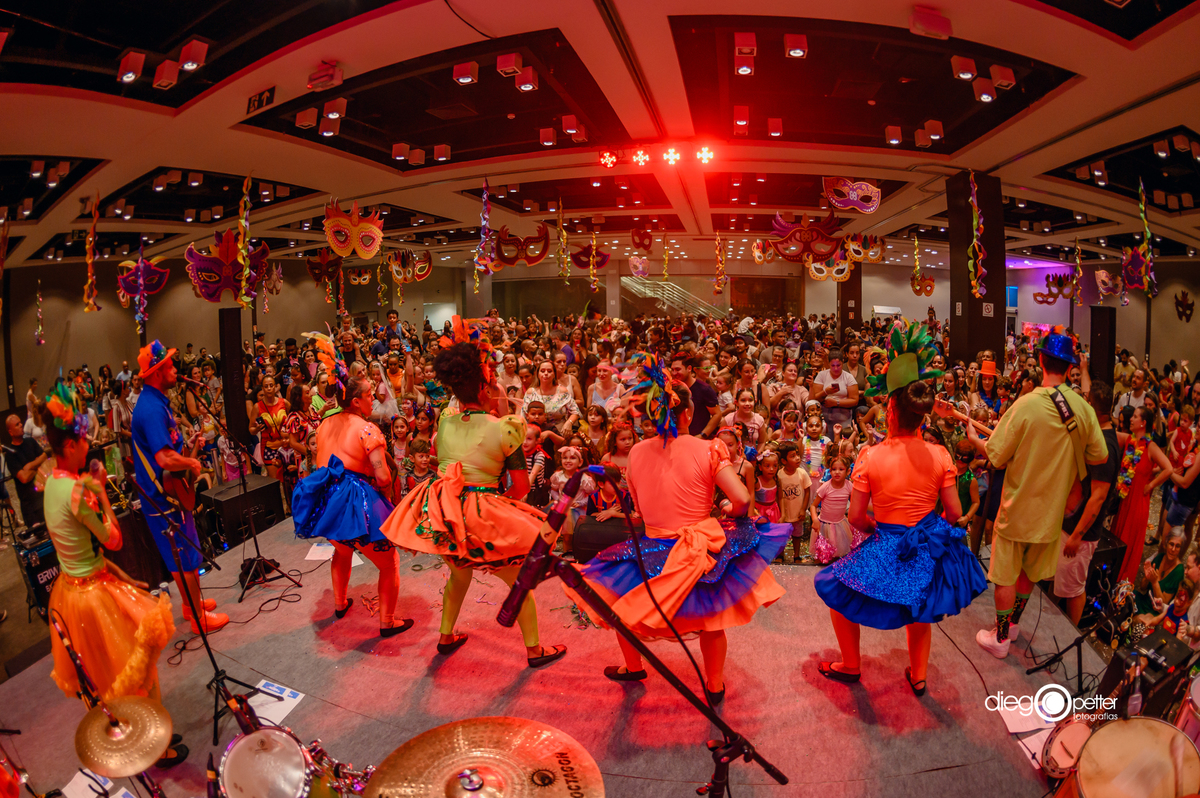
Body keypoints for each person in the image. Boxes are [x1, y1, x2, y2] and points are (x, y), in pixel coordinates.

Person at [566, 357, 788, 705]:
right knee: (712, 620)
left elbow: (638, 511)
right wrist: (728, 510)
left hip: (652, 545)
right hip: (699, 550)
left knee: (624, 606)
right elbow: (743, 498)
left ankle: (633, 667)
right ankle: (714, 685)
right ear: (687, 414)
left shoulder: (636, 453)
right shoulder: (708, 447)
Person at [815, 324, 987, 694]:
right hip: (927, 539)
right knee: (919, 604)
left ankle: (851, 665)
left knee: (836, 591)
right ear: (922, 416)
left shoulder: (870, 455)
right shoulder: (940, 454)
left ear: (890, 409)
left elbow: (858, 517)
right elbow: (955, 514)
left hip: (888, 537)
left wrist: (882, 530)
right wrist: (928, 530)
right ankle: (919, 674)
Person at [383, 328, 568, 668]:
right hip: (484, 516)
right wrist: (502, 509)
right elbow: (521, 487)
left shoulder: (445, 420)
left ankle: (446, 635)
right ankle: (534, 651)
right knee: (517, 582)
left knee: (458, 574)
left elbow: (446, 461)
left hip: (446, 514)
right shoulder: (505, 427)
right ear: (484, 387)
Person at [40, 384, 186, 768]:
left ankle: (133, 733)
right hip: (95, 594)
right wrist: (102, 492)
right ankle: (155, 743)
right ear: (70, 446)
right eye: (84, 440)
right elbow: (115, 538)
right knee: (139, 664)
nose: (89, 445)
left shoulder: (51, 483)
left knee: (107, 672)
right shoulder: (78, 491)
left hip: (70, 593)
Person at [965, 332, 1107, 658]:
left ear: (1041, 361)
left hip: (1017, 508)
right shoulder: (1083, 410)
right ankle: (1012, 626)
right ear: (1071, 368)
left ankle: (1000, 638)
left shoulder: (1025, 404)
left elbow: (996, 455)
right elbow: (1099, 457)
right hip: (1052, 513)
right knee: (1029, 573)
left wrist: (975, 439)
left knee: (1004, 575)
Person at [291, 334, 412, 638]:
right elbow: (383, 478)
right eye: (370, 393)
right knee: (388, 562)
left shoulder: (324, 424)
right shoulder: (368, 429)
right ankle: (387, 621)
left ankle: (340, 603)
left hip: (327, 503)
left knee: (342, 552)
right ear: (356, 401)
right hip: (356, 504)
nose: (374, 397)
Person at [130, 341, 229, 634]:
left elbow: (163, 449)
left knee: (185, 553)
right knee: (183, 556)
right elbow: (163, 457)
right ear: (158, 372)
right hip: (163, 499)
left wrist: (189, 447)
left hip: (171, 492)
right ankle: (198, 617)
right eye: (170, 365)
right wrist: (190, 462)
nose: (175, 369)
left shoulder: (158, 401)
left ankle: (190, 606)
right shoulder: (150, 408)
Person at [1055, 382, 1119, 625]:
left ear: (1093, 409)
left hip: (1081, 534)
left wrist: (1077, 535)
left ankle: (1071, 634)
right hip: (1070, 524)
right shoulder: (1098, 432)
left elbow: (1098, 497)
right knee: (1063, 583)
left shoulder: (1106, 446)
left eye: (1086, 401)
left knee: (1074, 589)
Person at [1112, 406, 1174, 584]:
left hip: (1138, 503)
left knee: (1128, 543)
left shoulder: (1151, 447)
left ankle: (1121, 587)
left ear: (1143, 423)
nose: (1131, 419)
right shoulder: (1129, 440)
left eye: (1135, 417)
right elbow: (1108, 433)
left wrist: (1151, 484)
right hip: (1124, 501)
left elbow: (1168, 468)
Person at [4, 414, 47, 528]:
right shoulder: (11, 454)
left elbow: (45, 458)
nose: (21, 425)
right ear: (11, 432)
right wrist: (38, 465)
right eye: (17, 424)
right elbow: (24, 478)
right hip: (29, 506)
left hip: (43, 498)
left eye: (20, 422)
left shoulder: (30, 442)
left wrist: (30, 466)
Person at [811, 349, 858, 432]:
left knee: (842, 442)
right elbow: (815, 398)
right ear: (828, 364)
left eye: (838, 365)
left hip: (843, 415)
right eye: (833, 365)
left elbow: (855, 400)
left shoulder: (848, 377)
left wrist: (836, 402)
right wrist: (826, 392)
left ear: (843, 363)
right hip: (823, 413)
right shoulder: (822, 375)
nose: (836, 368)